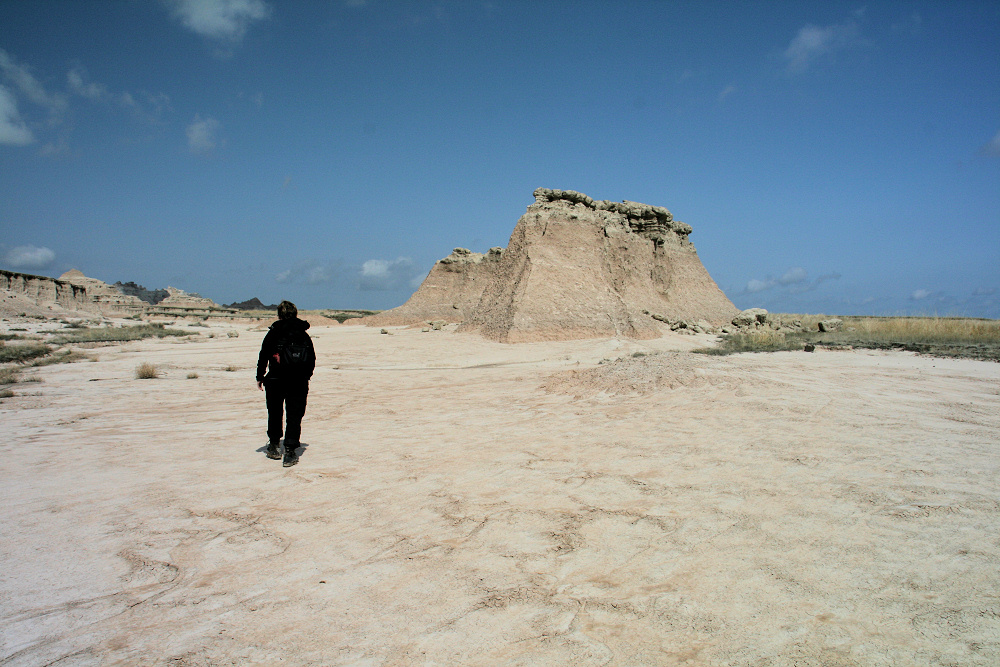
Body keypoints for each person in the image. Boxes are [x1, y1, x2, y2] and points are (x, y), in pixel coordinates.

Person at [256, 300, 315, 467]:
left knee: (275, 412)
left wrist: (260, 376)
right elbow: (311, 357)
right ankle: (290, 450)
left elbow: (263, 355)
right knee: (295, 415)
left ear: (279, 314)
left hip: (275, 379)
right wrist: (306, 376)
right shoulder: (303, 333)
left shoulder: (274, 332)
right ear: (295, 313)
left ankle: (274, 445)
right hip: (298, 381)